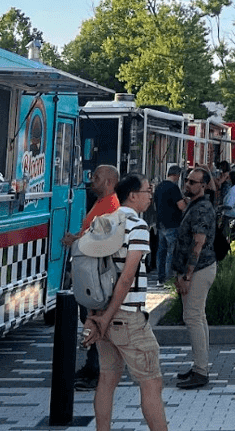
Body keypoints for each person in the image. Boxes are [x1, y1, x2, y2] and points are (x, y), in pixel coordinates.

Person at [81, 174, 168, 431]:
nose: (150, 197)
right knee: (151, 382)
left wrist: (95, 315)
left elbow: (90, 271)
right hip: (128, 315)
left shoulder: (102, 221)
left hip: (101, 313)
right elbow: (127, 276)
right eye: (147, 191)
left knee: (107, 379)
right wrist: (107, 317)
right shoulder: (137, 226)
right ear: (132, 195)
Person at [63, 164, 120, 388]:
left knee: (95, 319)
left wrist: (76, 241)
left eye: (96, 177)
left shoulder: (111, 206)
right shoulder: (100, 203)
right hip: (88, 272)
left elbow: (103, 242)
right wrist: (78, 237)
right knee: (88, 318)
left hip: (96, 275)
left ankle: (98, 371)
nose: (91, 179)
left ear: (108, 182)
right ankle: (91, 365)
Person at [171, 167, 219, 389]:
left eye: (193, 182)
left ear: (204, 185)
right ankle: (200, 366)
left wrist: (187, 274)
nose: (188, 184)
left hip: (199, 270)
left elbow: (198, 243)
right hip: (199, 269)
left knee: (192, 317)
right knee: (198, 317)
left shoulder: (200, 209)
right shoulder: (196, 205)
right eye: (187, 180)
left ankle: (201, 370)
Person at [153, 165, 185, 287]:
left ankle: (160, 279)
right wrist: (186, 202)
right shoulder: (174, 188)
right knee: (171, 252)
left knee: (161, 251)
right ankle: (169, 279)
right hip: (172, 223)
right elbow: (181, 206)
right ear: (177, 175)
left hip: (160, 223)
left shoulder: (159, 187)